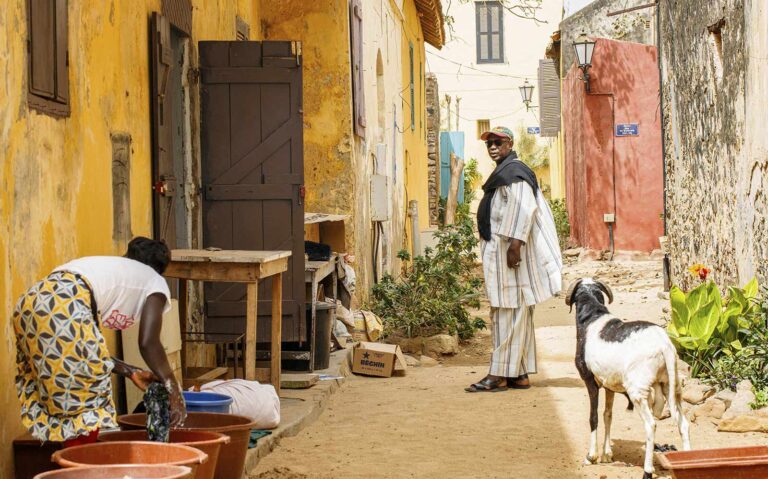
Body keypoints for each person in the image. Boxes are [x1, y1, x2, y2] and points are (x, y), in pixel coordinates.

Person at [13, 236, 187, 444]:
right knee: (88, 402)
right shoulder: (154, 281)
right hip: (64, 305)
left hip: (31, 303)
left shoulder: (101, 271)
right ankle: (81, 466)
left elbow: (89, 354)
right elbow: (149, 342)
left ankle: (72, 462)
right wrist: (174, 389)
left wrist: (130, 371)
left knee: (66, 402)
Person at [466, 126, 563, 392]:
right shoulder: (505, 172)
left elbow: (524, 209)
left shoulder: (515, 173)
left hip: (509, 253)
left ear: (510, 143)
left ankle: (498, 375)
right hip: (502, 251)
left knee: (508, 310)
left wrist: (515, 246)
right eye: (489, 144)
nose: (493, 147)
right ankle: (518, 373)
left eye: (498, 142)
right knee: (511, 309)